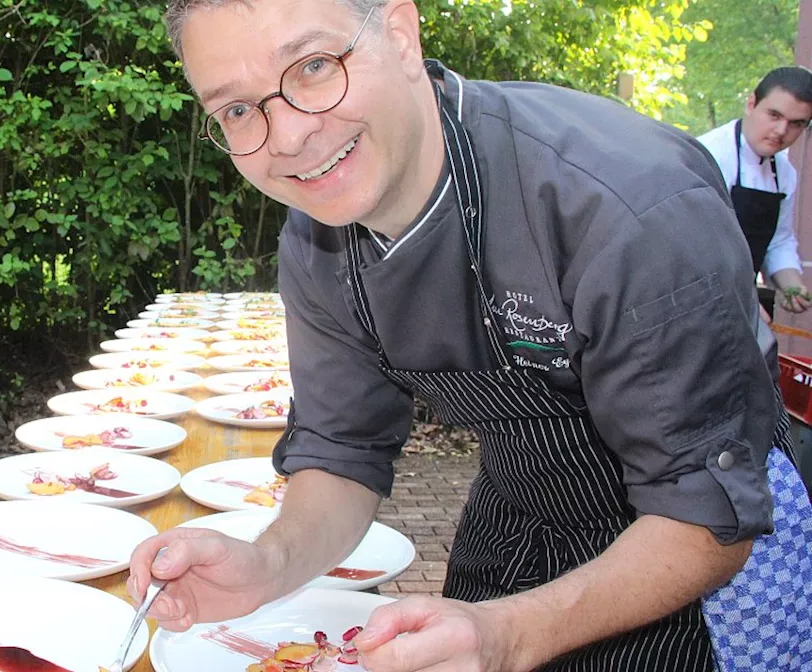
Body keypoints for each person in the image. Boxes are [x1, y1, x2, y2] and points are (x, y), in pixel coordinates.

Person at [127, 1, 812, 670]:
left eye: (311, 66)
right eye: (239, 110)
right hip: (520, 509)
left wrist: (510, 636)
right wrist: (266, 563)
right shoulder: (315, 239)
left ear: (400, 32)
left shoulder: (627, 208)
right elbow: (342, 450)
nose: (287, 137)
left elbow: (707, 516)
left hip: (695, 557)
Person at [698, 67, 812, 318]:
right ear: (751, 104)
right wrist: (744, 303)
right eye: (774, 115)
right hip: (695, 299)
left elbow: (779, 241)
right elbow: (693, 248)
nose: (781, 131)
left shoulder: (784, 173)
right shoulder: (709, 156)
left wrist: (792, 286)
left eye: (796, 124)